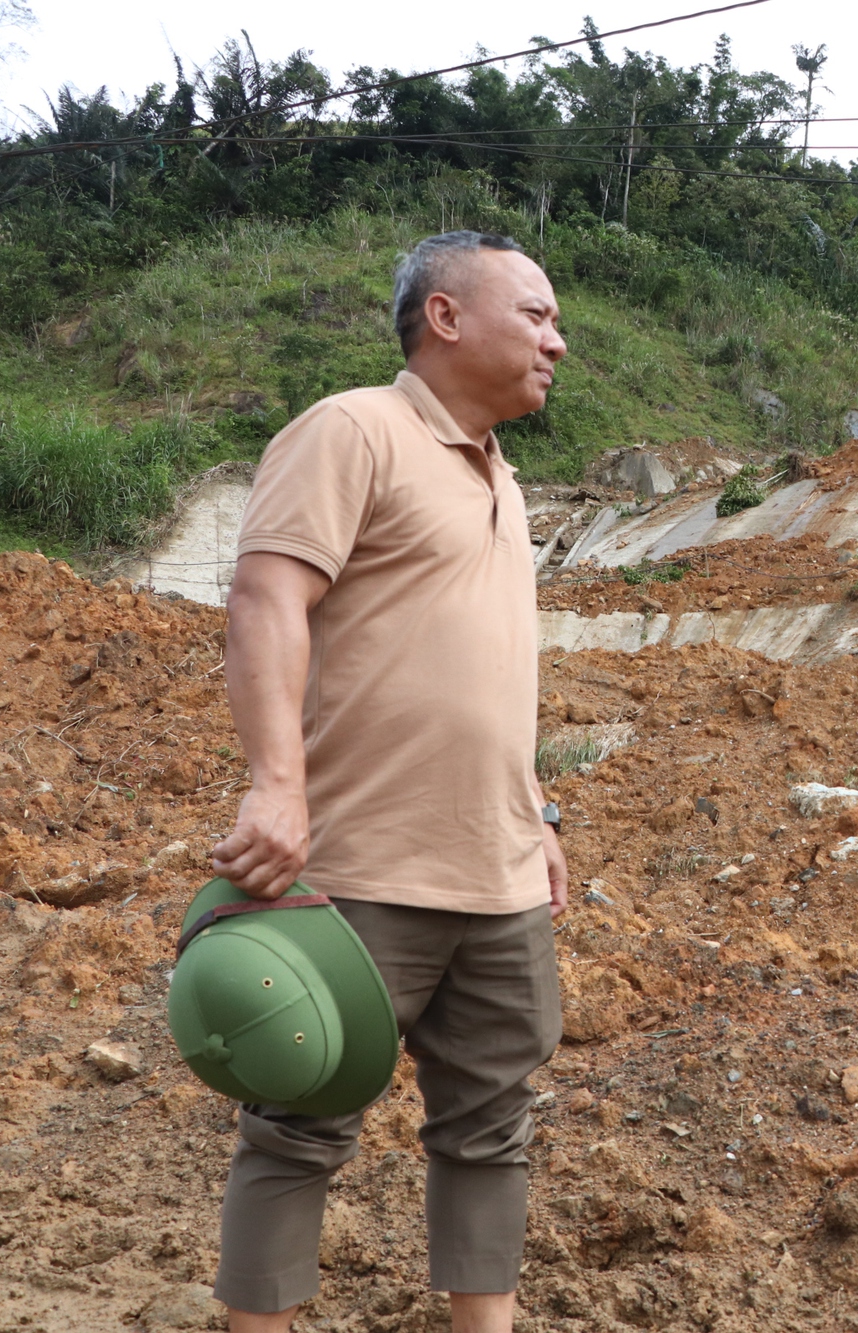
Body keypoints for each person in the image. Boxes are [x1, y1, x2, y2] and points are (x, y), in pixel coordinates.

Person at [210, 230, 570, 1333]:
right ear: (446, 316)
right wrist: (277, 784)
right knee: (299, 1123)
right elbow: (266, 600)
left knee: (492, 1130)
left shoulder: (503, 478)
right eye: (536, 314)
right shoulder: (354, 429)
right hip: (360, 866)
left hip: (500, 876)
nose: (557, 340)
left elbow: (483, 671)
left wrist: (540, 813)